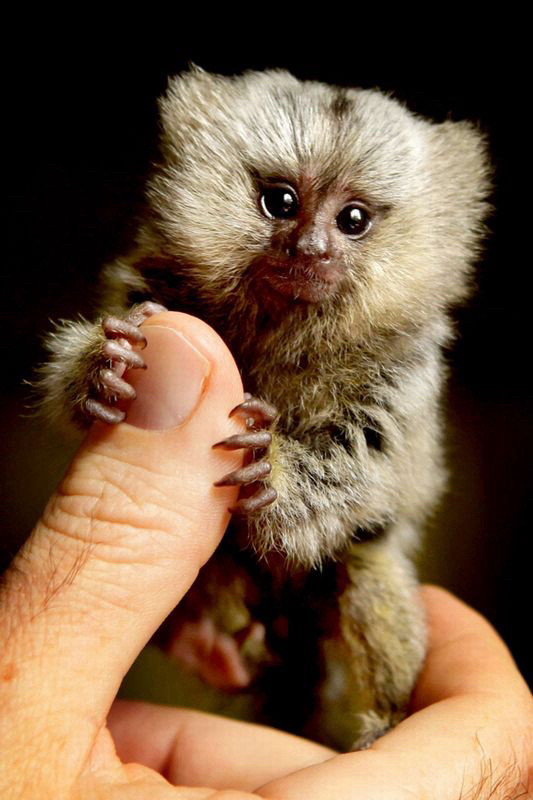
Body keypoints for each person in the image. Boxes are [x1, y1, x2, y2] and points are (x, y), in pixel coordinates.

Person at [1, 311, 531, 800]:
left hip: (334, 556)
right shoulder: (161, 298)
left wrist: (279, 473)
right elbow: (77, 407)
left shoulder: (399, 342)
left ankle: (385, 716)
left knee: (374, 580)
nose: (313, 245)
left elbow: (365, 489)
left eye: (352, 223)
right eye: (279, 203)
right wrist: (97, 371)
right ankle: (209, 636)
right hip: (207, 572)